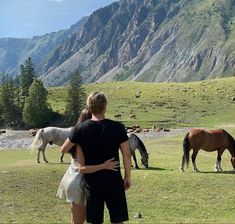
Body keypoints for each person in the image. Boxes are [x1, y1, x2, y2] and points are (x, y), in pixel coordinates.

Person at [62, 92, 132, 224]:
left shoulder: (80, 129)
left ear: (89, 107)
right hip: (113, 180)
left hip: (92, 183)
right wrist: (127, 177)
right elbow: (127, 155)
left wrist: (79, 147)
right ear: (105, 107)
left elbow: (64, 149)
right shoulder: (118, 127)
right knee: (118, 220)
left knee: (95, 221)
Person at [57, 107, 120, 224]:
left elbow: (64, 149)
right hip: (79, 181)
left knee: (77, 219)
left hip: (73, 177)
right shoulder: (83, 135)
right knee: (78, 220)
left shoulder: (77, 134)